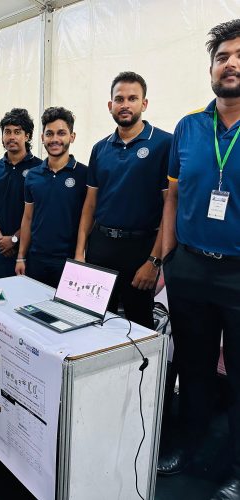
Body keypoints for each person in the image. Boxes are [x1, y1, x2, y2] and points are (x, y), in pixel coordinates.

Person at [158, 20, 240, 500]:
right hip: (189, 267)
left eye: (239, 56)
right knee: (193, 366)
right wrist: (168, 255)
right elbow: (171, 196)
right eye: (222, 56)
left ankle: (237, 467)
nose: (231, 63)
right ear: (211, 68)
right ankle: (189, 445)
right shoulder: (188, 126)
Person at [74, 72, 172, 329]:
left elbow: (170, 209)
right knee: (91, 321)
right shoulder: (100, 148)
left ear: (144, 103)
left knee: (138, 327)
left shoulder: (164, 144)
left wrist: (154, 262)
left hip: (140, 250)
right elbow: (90, 205)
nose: (125, 104)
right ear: (110, 105)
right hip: (101, 246)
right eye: (119, 99)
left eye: (132, 98)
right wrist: (80, 253)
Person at [15, 107, 87, 288]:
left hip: (69, 260)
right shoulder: (32, 175)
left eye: (61, 133)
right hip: (36, 258)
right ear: (42, 138)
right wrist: (21, 256)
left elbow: (89, 218)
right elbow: (28, 217)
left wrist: (80, 255)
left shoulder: (84, 174)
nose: (55, 139)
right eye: (49, 134)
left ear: (72, 137)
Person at [0, 108, 42, 278]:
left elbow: (38, 211)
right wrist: (0, 239)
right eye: (7, 132)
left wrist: (14, 239)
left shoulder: (39, 168)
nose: (11, 137)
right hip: (0, 247)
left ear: (27, 136)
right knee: (2, 291)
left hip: (28, 247)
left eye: (17, 132)